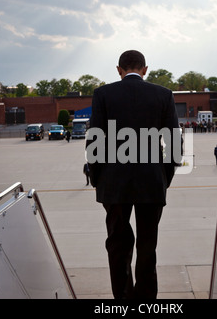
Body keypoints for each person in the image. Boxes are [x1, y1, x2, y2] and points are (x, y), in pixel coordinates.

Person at [86, 50, 180, 299]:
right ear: (145, 69)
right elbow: (174, 144)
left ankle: (123, 300)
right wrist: (164, 178)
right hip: (151, 182)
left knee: (118, 245)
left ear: (119, 69)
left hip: (113, 184)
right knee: (148, 246)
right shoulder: (163, 95)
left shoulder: (103, 94)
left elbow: (95, 142)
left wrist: (97, 179)